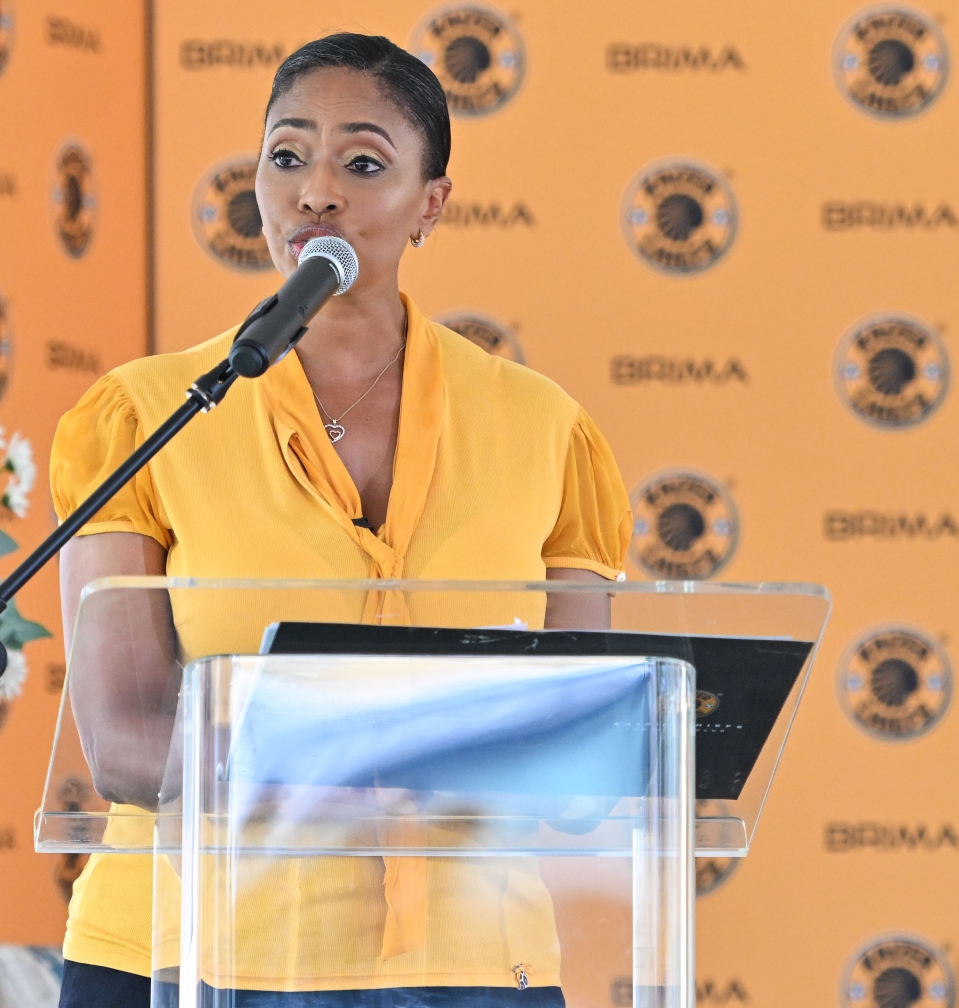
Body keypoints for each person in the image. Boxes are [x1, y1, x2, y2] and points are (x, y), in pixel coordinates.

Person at [51, 33, 632, 1008]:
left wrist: (341, 755)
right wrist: (415, 754)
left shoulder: (545, 430)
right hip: (180, 956)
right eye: (286, 156)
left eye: (362, 163)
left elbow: (583, 756)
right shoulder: (145, 417)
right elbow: (122, 745)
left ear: (431, 203)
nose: (314, 192)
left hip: (472, 964)